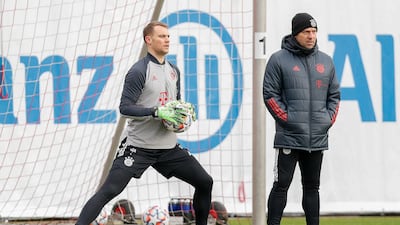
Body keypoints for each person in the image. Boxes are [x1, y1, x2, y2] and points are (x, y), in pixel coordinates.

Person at [75, 21, 213, 225]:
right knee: (109, 191)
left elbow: (175, 105)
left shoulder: (174, 70)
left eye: (168, 36)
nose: (167, 39)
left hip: (167, 148)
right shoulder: (139, 71)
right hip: (138, 147)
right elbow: (125, 108)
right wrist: (156, 112)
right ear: (149, 40)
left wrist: (181, 118)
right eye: (161, 36)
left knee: (205, 182)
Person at [262, 13, 340, 225]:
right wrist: (288, 119)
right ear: (296, 34)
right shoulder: (278, 59)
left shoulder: (326, 61)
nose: (311, 36)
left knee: (312, 187)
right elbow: (269, 95)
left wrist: (326, 121)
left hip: (316, 138)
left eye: (314, 32)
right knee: (281, 185)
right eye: (306, 32)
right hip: (289, 136)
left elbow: (334, 96)